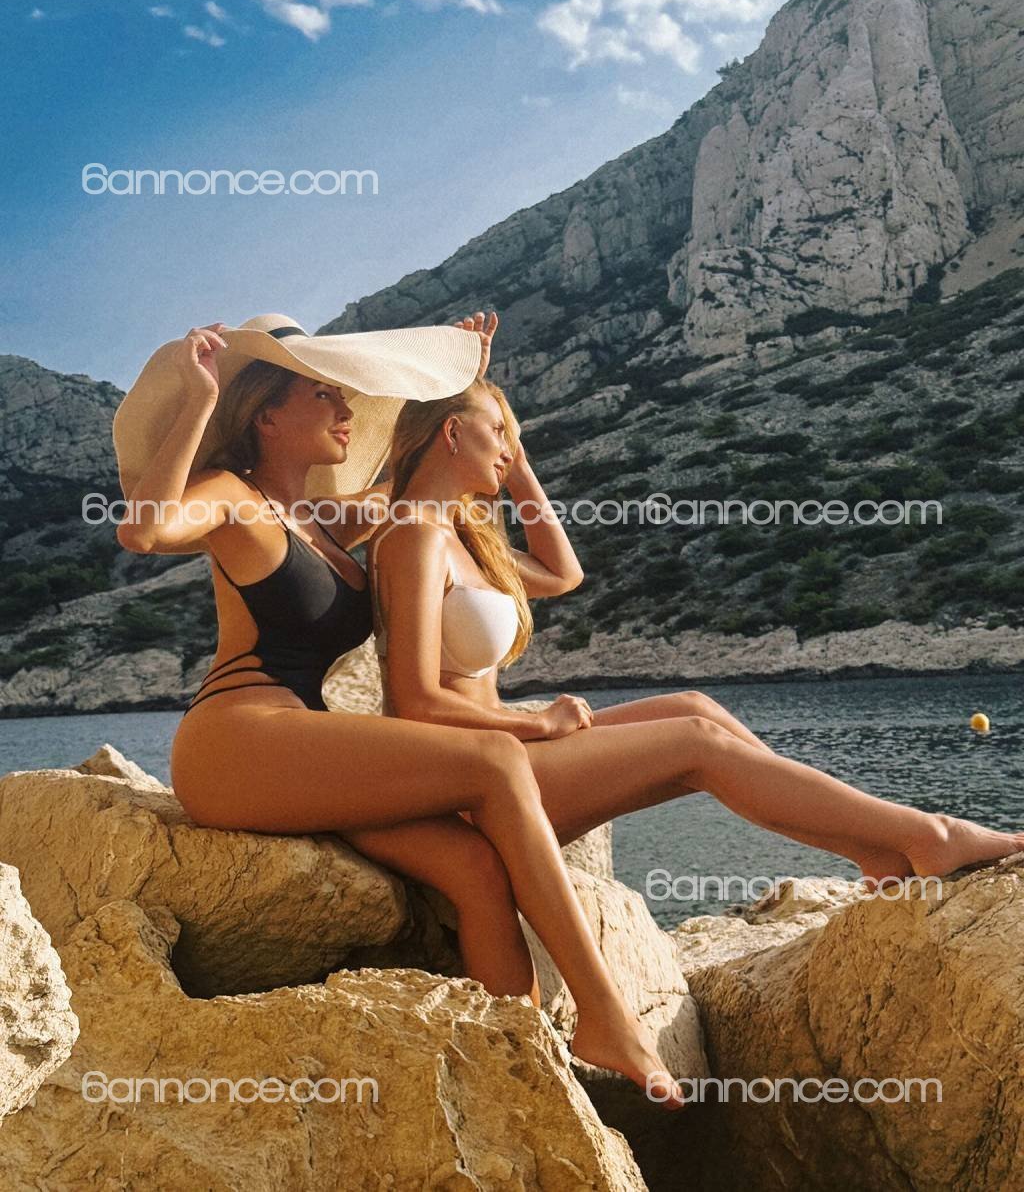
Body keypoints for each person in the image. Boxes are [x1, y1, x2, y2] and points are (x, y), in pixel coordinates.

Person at [111, 311, 687, 1108]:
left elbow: (444, 484)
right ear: (266, 415)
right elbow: (142, 530)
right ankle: (604, 1012)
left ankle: (519, 1075)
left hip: (305, 752)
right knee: (497, 759)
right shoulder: (234, 498)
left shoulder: (329, 519)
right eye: (323, 394)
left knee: (475, 867)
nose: (347, 409)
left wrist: (460, 377)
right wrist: (201, 398)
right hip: (236, 738)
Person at [365, 373, 1024, 996]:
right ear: (452, 432)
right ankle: (929, 835)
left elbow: (564, 572)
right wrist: (537, 722)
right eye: (498, 432)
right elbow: (417, 702)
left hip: (504, 757)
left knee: (695, 706)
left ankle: (870, 846)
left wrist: (518, 461)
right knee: (696, 743)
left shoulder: (462, 536)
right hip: (469, 786)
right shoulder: (413, 537)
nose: (509, 448)